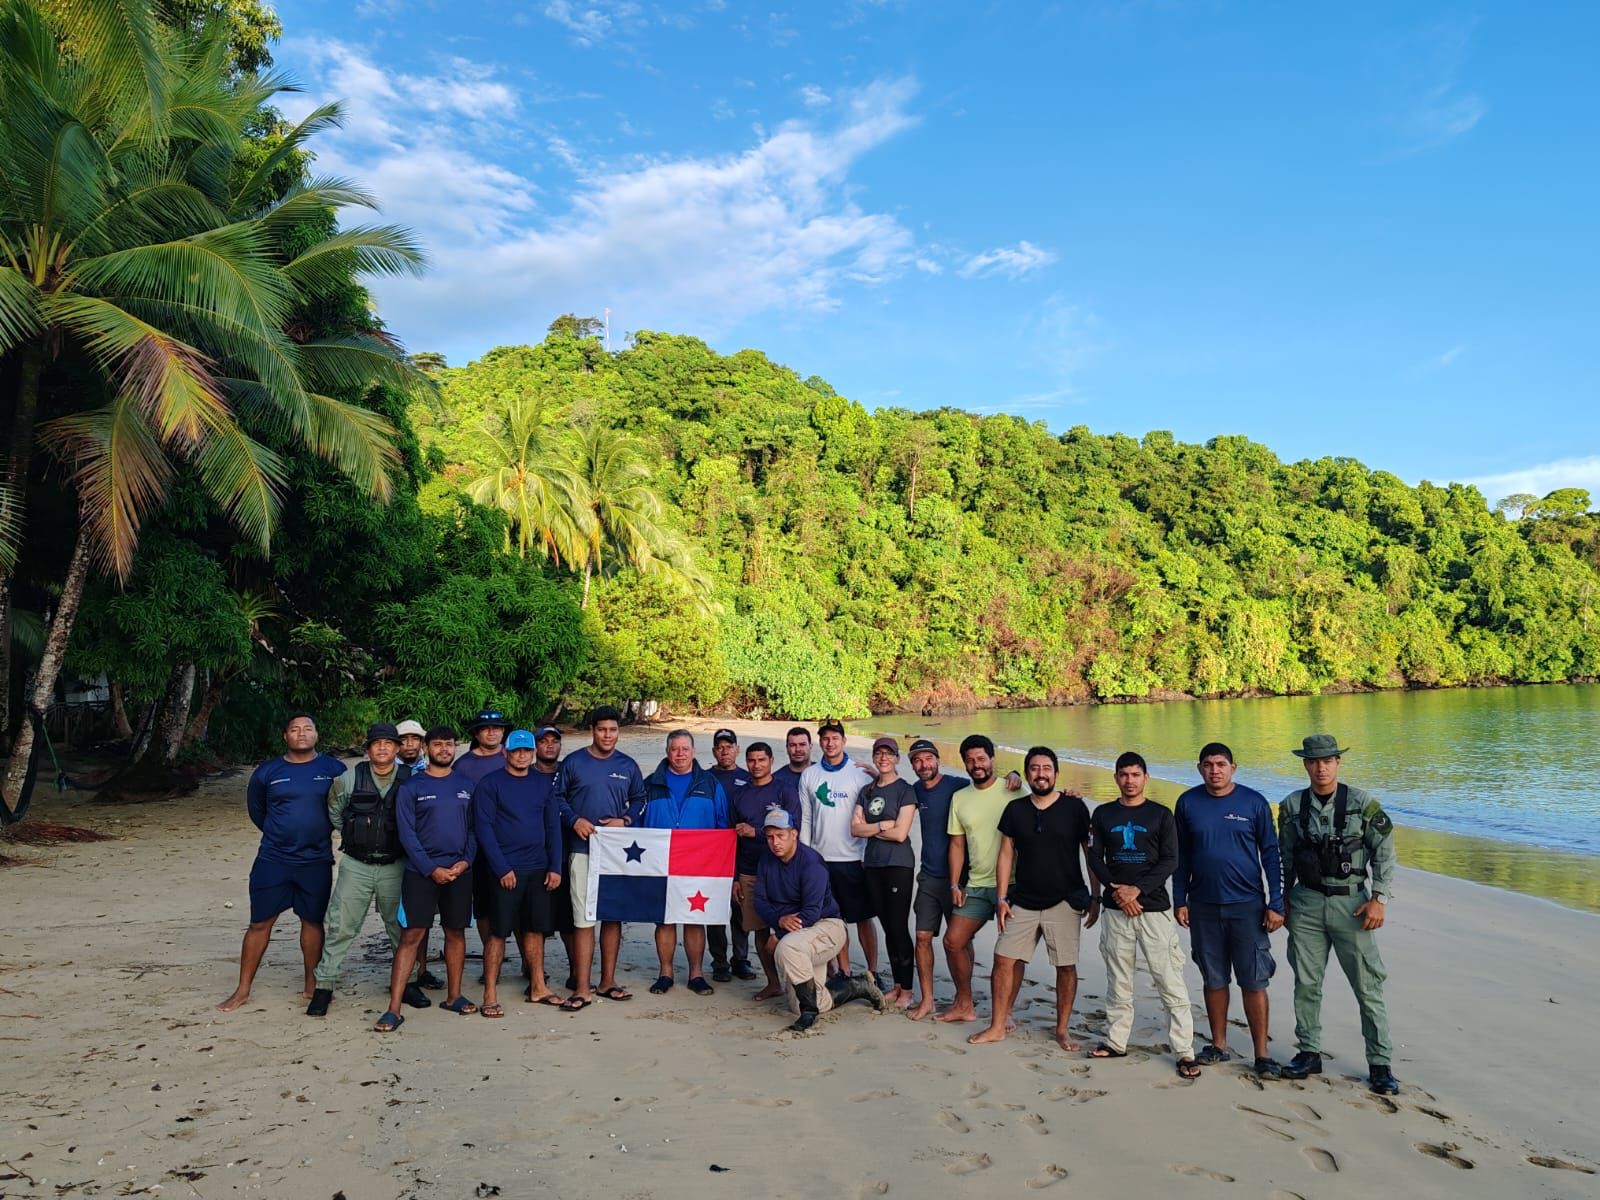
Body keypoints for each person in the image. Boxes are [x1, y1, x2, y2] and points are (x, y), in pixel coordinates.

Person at [1277, 734, 1399, 1096]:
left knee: (1367, 985)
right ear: (1305, 764)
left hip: (1352, 905)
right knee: (1306, 982)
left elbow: (1384, 853)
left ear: (1338, 762)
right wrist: (1281, 899)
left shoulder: (1362, 803)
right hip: (1306, 903)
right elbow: (1284, 856)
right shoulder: (1292, 806)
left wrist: (1379, 898)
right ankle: (1309, 1052)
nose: (1321, 768)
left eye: (1328, 761)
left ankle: (1380, 1063)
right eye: (1314, 761)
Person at [969, 747, 1097, 1049]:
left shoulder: (1075, 808)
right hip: (1023, 899)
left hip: (1065, 899)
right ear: (1027, 773)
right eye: (1035, 768)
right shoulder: (1016, 809)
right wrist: (1001, 898)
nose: (1041, 774)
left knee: (1066, 966)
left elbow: (1089, 853)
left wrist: (1096, 896)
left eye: (1047, 768)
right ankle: (997, 1026)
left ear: (1056, 773)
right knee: (1003, 959)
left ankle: (1062, 1030)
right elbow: (1005, 854)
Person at [219, 713, 347, 1012]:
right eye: (294, 729)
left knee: (312, 922)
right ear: (285, 736)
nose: (301, 733)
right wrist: (281, 833)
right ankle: (242, 989)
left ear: (316, 734)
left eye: (308, 728)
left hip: (315, 860)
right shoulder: (268, 771)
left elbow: (344, 805)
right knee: (259, 922)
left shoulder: (333, 769)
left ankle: (312, 985)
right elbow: (257, 810)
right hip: (273, 859)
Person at [1174, 742, 1286, 1078]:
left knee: (1254, 980)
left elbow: (1271, 854)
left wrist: (1276, 903)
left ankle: (1262, 1054)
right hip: (1203, 905)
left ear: (1233, 767)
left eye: (1221, 764)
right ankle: (1218, 1045)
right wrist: (1180, 899)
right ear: (1199, 768)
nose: (1215, 770)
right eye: (1208, 765)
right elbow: (1181, 857)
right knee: (1214, 977)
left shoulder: (1254, 802)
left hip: (1247, 906)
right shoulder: (1188, 803)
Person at [306, 723, 430, 1017]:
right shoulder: (348, 779)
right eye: (377, 743)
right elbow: (336, 813)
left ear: (398, 748)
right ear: (368, 749)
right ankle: (324, 985)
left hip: (396, 864)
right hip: (357, 865)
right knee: (340, 925)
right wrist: (357, 837)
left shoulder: (413, 780)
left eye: (389, 743)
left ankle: (409, 982)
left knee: (401, 927)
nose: (383, 748)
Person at [1088, 752, 1199, 1077]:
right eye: (1124, 775)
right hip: (1115, 910)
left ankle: (1184, 1051)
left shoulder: (1161, 815)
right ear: (1116, 778)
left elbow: (1170, 860)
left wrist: (1137, 890)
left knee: (1169, 979)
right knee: (1118, 980)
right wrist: (1116, 891)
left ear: (1145, 777)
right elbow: (1095, 857)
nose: (1129, 780)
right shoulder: (1103, 814)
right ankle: (1116, 1041)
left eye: (1135, 775)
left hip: (1154, 909)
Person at [374, 726, 478, 1031]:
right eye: (438, 744)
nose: (444, 749)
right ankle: (394, 1008)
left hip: (459, 871)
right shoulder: (412, 787)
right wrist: (431, 868)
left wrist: (465, 861)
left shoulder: (467, 785)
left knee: (455, 932)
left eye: (449, 744)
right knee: (412, 936)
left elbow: (474, 829)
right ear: (426, 749)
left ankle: (454, 996)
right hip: (420, 873)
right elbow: (406, 833)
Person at [755, 808, 883, 1032]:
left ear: (794, 834)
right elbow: (760, 901)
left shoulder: (811, 863)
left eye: (781, 835)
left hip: (826, 926)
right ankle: (857, 986)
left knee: (786, 947)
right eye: (770, 837)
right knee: (800, 1003)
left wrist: (780, 934)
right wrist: (779, 919)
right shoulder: (766, 859)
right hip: (798, 932)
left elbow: (811, 912)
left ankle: (809, 1013)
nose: (775, 842)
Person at [557, 705, 646, 1009]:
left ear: (618, 732)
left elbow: (640, 799)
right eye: (602, 730)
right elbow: (557, 798)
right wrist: (574, 820)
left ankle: (608, 981)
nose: (607, 735)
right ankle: (582, 987)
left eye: (613, 730)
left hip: (616, 852)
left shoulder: (628, 765)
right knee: (584, 919)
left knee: (612, 915)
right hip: (582, 850)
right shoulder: (573, 762)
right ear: (592, 730)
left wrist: (626, 820)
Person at [473, 729, 565, 1017]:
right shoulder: (490, 784)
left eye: (527, 751)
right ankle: (490, 994)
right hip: (505, 870)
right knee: (498, 932)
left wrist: (555, 866)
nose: (522, 756)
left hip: (538, 868)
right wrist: (501, 867)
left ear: (534, 753)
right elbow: (484, 828)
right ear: (505, 752)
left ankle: (538, 986)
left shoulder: (543, 784)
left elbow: (552, 826)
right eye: (516, 751)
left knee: (535, 929)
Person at [640, 730, 729, 996]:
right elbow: (637, 822)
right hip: (660, 861)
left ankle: (696, 974)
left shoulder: (711, 784)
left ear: (694, 751)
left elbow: (723, 825)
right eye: (675, 749)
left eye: (685, 749)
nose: (680, 754)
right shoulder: (650, 784)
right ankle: (665, 973)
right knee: (664, 919)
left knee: (694, 918)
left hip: (699, 863)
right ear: (667, 752)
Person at [939, 734, 1012, 1023]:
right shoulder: (960, 798)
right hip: (977, 884)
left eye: (981, 758)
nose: (976, 764)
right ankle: (964, 1003)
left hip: (1014, 884)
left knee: (1010, 952)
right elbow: (957, 844)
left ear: (993, 758)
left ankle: (1005, 1012)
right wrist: (954, 883)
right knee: (953, 941)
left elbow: (1045, 797)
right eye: (970, 760)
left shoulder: (1014, 789)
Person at [798, 720, 879, 980]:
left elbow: (875, 811)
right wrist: (806, 855)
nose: (830, 743)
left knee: (863, 917)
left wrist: (877, 777)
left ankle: (873, 970)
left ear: (844, 741)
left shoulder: (859, 773)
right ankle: (844, 971)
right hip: (821, 858)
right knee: (834, 919)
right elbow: (806, 818)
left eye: (835, 738)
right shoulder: (809, 775)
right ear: (819, 742)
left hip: (854, 858)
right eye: (825, 738)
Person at [851, 737, 919, 1010]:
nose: (883, 758)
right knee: (887, 926)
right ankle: (898, 985)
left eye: (889, 754)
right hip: (873, 864)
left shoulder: (905, 790)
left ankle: (908, 990)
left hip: (898, 865)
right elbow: (855, 829)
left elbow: (901, 833)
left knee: (898, 926)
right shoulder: (867, 791)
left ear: (896, 758)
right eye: (879, 753)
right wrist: (882, 826)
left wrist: (871, 828)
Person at [732, 741, 801, 1000]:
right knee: (760, 930)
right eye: (751, 760)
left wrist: (758, 833)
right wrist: (735, 877)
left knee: (793, 927)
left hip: (783, 870)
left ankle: (799, 982)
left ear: (771, 761)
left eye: (761, 760)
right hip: (750, 872)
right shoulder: (740, 795)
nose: (756, 765)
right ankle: (772, 982)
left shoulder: (785, 790)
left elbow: (795, 829)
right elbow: (732, 839)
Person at [458, 709, 514, 978]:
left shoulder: (515, 757)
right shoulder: (463, 765)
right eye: (486, 728)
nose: (492, 732)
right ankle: (492, 959)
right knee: (483, 906)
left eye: (497, 728)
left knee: (518, 903)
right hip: (478, 846)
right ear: (476, 733)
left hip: (514, 844)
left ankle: (529, 965)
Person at [393, 717, 442, 990]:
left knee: (424, 917)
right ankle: (406, 977)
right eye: (404, 739)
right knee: (406, 919)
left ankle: (421, 970)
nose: (409, 744)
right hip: (397, 855)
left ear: (423, 744)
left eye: (415, 739)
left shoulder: (433, 769)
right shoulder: (387, 769)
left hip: (431, 854)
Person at [707, 728, 755, 983]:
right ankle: (719, 961)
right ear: (714, 751)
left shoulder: (748, 779)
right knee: (714, 909)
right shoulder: (704, 778)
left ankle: (741, 959)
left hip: (742, 850)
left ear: (737, 749)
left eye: (729, 746)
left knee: (740, 907)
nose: (725, 751)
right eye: (720, 747)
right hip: (713, 853)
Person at [773, 726, 813, 803]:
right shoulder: (776, 780)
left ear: (810, 746)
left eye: (802, 744)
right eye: (793, 745)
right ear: (787, 748)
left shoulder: (823, 774)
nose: (798, 749)